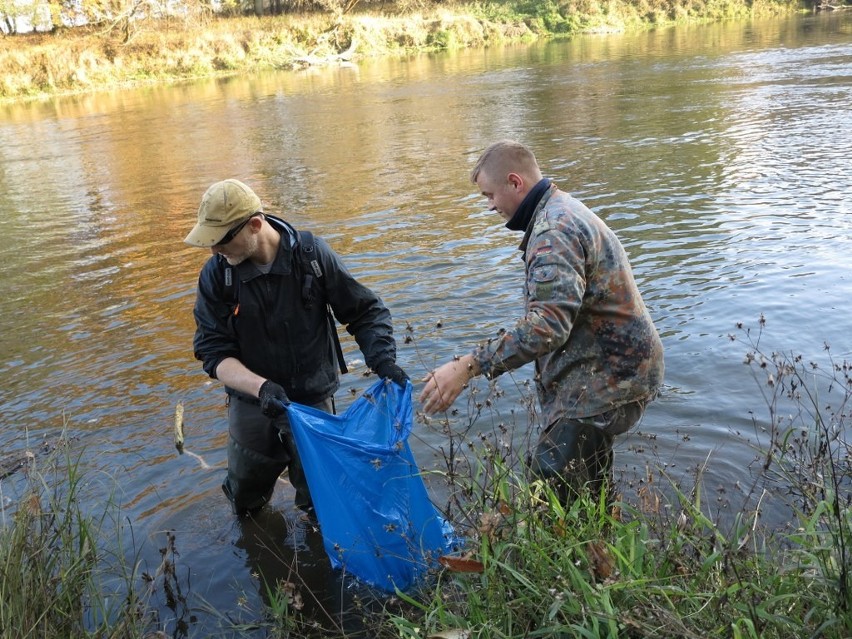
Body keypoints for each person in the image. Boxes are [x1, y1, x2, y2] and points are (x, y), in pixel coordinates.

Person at [419, 140, 664, 503]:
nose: (490, 206)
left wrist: (468, 366)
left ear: (515, 182)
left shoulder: (552, 231)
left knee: (547, 497)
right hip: (611, 374)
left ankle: (565, 554)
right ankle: (600, 553)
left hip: (604, 383)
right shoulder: (559, 210)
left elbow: (548, 325)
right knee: (587, 496)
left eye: (490, 195)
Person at [185, 178, 408, 518]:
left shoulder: (312, 257)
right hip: (251, 404)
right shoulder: (217, 276)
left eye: (220, 240)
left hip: (313, 399)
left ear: (255, 225)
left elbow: (365, 312)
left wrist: (383, 360)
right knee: (245, 499)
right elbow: (213, 353)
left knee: (323, 501)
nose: (214, 251)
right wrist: (261, 388)